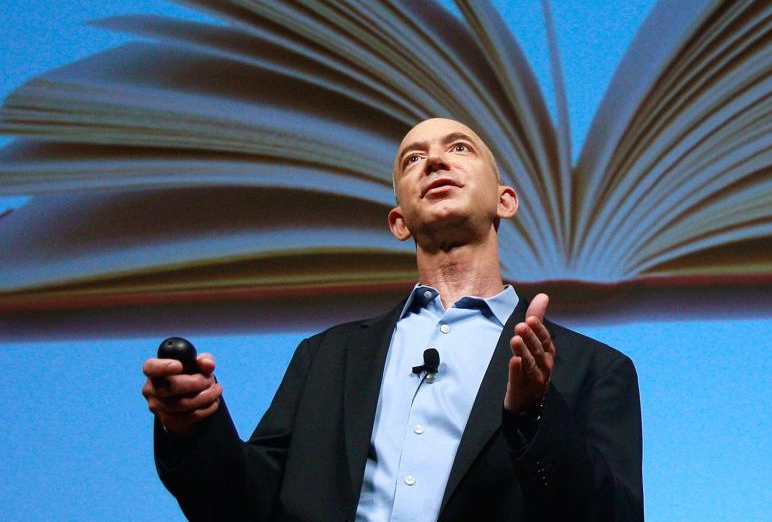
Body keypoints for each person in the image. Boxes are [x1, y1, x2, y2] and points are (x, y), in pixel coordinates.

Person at [143, 117, 644, 521]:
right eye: (414, 159)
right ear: (399, 222)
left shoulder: (593, 369)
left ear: (504, 201)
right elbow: (242, 505)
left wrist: (535, 416)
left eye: (460, 148)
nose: (436, 161)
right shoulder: (328, 358)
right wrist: (193, 427)